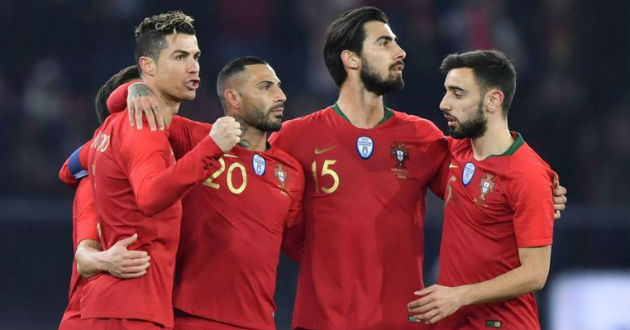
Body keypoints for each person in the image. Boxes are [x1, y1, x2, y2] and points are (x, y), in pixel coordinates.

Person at [65, 57, 305, 330]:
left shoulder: (292, 171)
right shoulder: (193, 138)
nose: (280, 96)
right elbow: (88, 154)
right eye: (266, 87)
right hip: (190, 317)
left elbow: (299, 246)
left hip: (259, 321)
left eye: (278, 86)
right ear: (234, 98)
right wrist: (134, 89)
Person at [78, 11, 240, 329]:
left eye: (196, 56)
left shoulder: (122, 123)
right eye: (179, 57)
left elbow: (71, 169)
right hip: (130, 309)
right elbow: (151, 195)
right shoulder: (144, 127)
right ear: (147, 66)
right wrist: (212, 148)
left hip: (124, 305)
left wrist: (129, 91)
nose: (193, 67)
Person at [407, 50, 557, 329]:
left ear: (493, 100)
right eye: (446, 92)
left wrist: (460, 296)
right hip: (455, 322)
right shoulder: (456, 151)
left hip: (503, 323)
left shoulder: (527, 174)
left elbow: (536, 273)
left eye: (458, 94)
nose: (444, 103)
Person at [58, 65, 150, 330]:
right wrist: (106, 260)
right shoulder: (95, 182)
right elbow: (84, 258)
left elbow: (67, 169)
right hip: (94, 318)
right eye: (139, 98)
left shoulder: (153, 173)